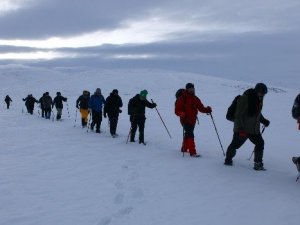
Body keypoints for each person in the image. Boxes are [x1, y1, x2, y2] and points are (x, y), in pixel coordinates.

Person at [224, 83, 270, 170]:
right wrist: (241, 129)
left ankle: (258, 163)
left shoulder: (259, 99)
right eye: (261, 93)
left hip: (254, 129)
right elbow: (238, 115)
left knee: (260, 143)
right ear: (257, 91)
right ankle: (228, 159)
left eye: (264, 93)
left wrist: (263, 120)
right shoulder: (245, 98)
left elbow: (257, 113)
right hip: (242, 128)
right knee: (235, 145)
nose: (263, 95)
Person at [175, 83, 212, 157]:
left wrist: (207, 110)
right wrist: (181, 113)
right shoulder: (182, 98)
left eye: (193, 89)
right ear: (187, 89)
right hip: (185, 119)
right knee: (190, 134)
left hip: (193, 120)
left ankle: (184, 148)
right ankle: (193, 152)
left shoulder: (195, 98)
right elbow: (177, 110)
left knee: (188, 134)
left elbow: (201, 108)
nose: (192, 90)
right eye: (190, 89)